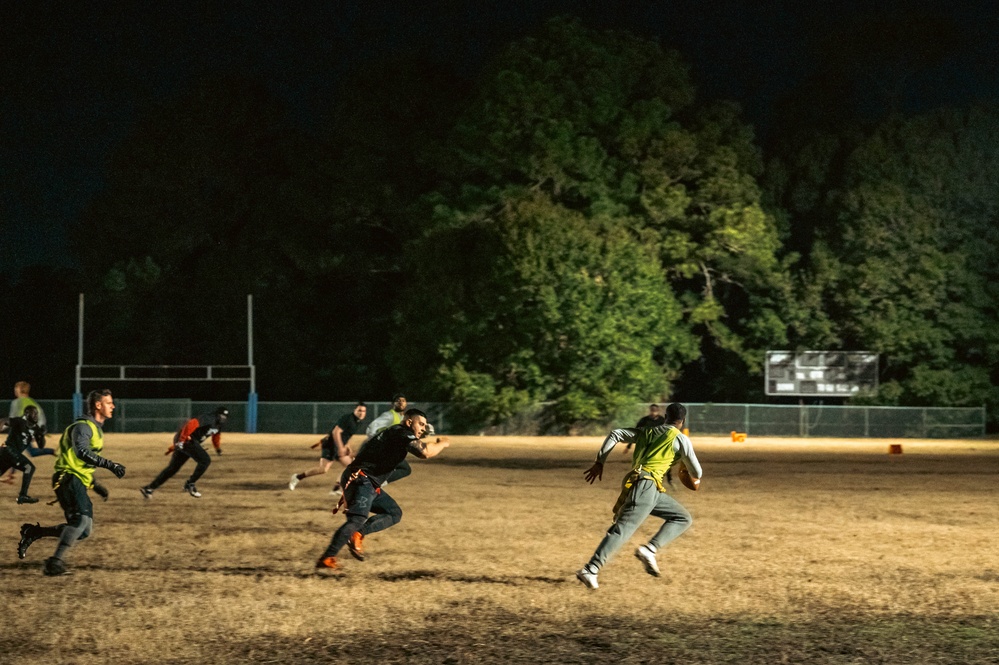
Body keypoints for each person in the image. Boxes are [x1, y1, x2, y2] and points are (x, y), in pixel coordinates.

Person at [575, 402, 702, 590]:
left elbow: (615, 434)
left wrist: (599, 462)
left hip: (644, 485)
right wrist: (686, 470)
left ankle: (648, 550)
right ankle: (591, 569)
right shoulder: (681, 440)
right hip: (647, 486)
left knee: (682, 517)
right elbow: (697, 473)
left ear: (665, 417)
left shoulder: (647, 431)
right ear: (682, 421)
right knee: (622, 529)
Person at [315, 408, 449, 571]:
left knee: (393, 513)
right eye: (420, 424)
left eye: (425, 425)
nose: (423, 428)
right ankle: (328, 557)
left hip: (365, 481)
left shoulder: (396, 433)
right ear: (408, 422)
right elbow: (425, 452)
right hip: (361, 480)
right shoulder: (401, 433)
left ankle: (358, 534)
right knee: (356, 521)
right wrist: (443, 443)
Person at [17, 389, 126, 576]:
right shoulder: (83, 426)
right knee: (80, 521)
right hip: (67, 478)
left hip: (76, 479)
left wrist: (95, 485)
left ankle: (35, 532)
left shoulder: (95, 429)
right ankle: (54, 563)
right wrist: (110, 465)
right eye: (109, 403)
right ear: (98, 405)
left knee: (84, 531)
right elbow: (81, 452)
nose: (113, 406)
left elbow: (81, 463)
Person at [139, 406, 229, 499]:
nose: (223, 418)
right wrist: (181, 440)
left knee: (173, 468)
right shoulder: (209, 418)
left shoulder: (218, 424)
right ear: (217, 414)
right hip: (187, 439)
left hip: (188, 441)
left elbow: (216, 435)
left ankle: (149, 489)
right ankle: (190, 484)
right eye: (221, 416)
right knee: (205, 461)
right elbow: (191, 424)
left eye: (224, 417)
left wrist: (217, 448)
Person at [289, 402, 367, 490]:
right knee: (323, 469)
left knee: (352, 466)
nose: (361, 413)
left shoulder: (358, 422)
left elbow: (346, 435)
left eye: (364, 411)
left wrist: (347, 446)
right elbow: (336, 432)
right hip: (330, 444)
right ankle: (297, 477)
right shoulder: (348, 418)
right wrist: (341, 447)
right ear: (354, 410)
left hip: (339, 446)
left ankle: (336, 488)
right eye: (359, 410)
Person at [1, 382, 54, 485]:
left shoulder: (17, 402)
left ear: (20, 390)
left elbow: (12, 420)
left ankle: (53, 451)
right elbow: (41, 418)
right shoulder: (33, 402)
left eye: (16, 389)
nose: (15, 391)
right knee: (26, 452)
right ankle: (10, 476)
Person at [1, 405, 44, 503]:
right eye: (33, 413)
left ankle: (22, 496)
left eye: (36, 413)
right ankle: (22, 496)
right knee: (29, 467)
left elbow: (41, 446)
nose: (36, 416)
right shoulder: (20, 421)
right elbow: (4, 420)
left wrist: (41, 435)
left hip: (11, 455)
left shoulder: (35, 428)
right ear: (27, 414)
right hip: (8, 450)